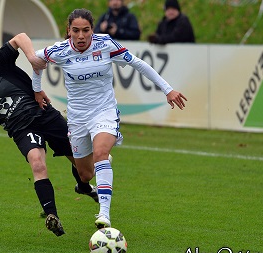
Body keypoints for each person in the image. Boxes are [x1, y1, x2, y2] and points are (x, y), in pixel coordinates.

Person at [33, 8, 187, 229]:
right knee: (85, 175)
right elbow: (36, 61)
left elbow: (138, 64)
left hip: (104, 111)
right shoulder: (59, 50)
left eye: (86, 30)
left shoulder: (105, 44)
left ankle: (104, 214)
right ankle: (100, 166)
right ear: (68, 31)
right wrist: (37, 90)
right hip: (77, 118)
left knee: (101, 153)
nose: (81, 36)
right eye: (75, 30)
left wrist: (168, 90)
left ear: (92, 30)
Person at [0, 33, 98, 237]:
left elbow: (20, 37)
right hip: (22, 131)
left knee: (84, 169)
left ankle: (83, 186)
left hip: (44, 114)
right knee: (37, 163)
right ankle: (52, 216)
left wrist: (32, 58)